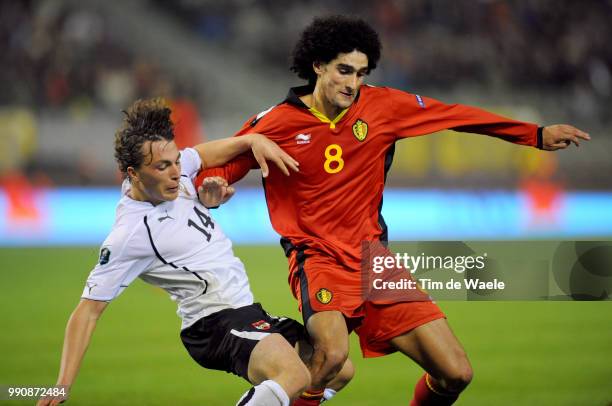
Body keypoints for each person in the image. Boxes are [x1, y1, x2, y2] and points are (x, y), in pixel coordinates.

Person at [195, 15, 591, 406]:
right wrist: (210, 190)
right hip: (318, 258)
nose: (352, 83)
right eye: (344, 70)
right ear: (318, 66)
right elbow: (221, 164)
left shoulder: (384, 106)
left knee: (455, 373)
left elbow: (456, 115)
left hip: (374, 263)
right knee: (330, 356)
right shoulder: (275, 124)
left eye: (361, 73)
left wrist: (534, 135)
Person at [37, 98, 354, 406]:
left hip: (245, 310)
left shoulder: (176, 177)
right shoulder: (129, 234)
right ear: (132, 173)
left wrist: (251, 141)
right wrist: (62, 384)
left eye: (176, 161)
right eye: (163, 166)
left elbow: (202, 154)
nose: (176, 171)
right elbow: (87, 311)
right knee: (293, 375)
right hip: (212, 323)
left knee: (335, 368)